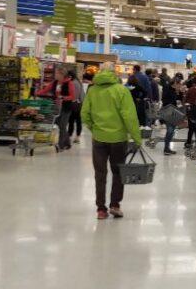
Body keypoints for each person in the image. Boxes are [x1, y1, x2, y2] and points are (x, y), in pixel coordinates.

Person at [80, 63, 142, 220]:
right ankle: (115, 205)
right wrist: (137, 138)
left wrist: (94, 129)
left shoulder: (92, 90)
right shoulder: (121, 90)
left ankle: (101, 209)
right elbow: (129, 117)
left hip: (99, 139)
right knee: (118, 173)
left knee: (100, 174)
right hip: (119, 139)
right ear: (115, 73)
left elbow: (85, 114)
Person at [36, 66, 78, 151]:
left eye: (57, 73)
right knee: (58, 124)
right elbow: (46, 90)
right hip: (56, 107)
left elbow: (73, 96)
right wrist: (37, 94)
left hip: (66, 107)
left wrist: (62, 97)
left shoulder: (69, 83)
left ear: (62, 74)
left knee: (62, 125)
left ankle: (61, 145)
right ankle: (67, 143)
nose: (55, 75)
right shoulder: (54, 82)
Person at [160, 73, 184, 155]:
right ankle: (166, 148)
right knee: (170, 130)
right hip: (168, 110)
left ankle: (167, 148)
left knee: (172, 130)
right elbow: (164, 99)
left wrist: (180, 93)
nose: (179, 82)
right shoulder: (167, 88)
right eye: (178, 81)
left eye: (180, 81)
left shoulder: (177, 90)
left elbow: (179, 100)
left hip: (175, 111)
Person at [184, 77, 196, 148]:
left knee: (191, 128)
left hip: (191, 110)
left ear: (193, 83)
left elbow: (185, 100)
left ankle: (188, 142)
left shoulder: (190, 89)